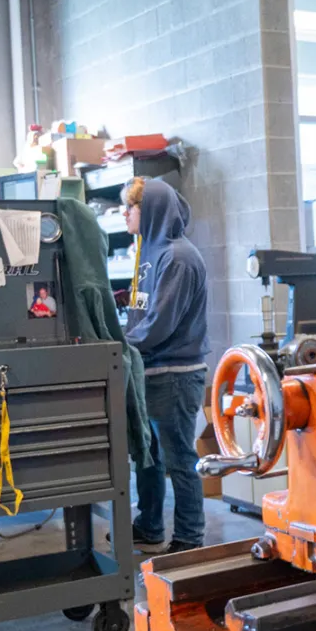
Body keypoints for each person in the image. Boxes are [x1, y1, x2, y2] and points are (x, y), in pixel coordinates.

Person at [123, 177, 211, 555]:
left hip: (175, 375)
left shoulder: (178, 257)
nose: (125, 213)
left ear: (153, 210)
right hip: (152, 371)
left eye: (131, 207)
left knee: (179, 459)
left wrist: (119, 346)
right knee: (148, 455)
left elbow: (159, 323)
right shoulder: (150, 251)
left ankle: (189, 538)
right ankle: (149, 526)